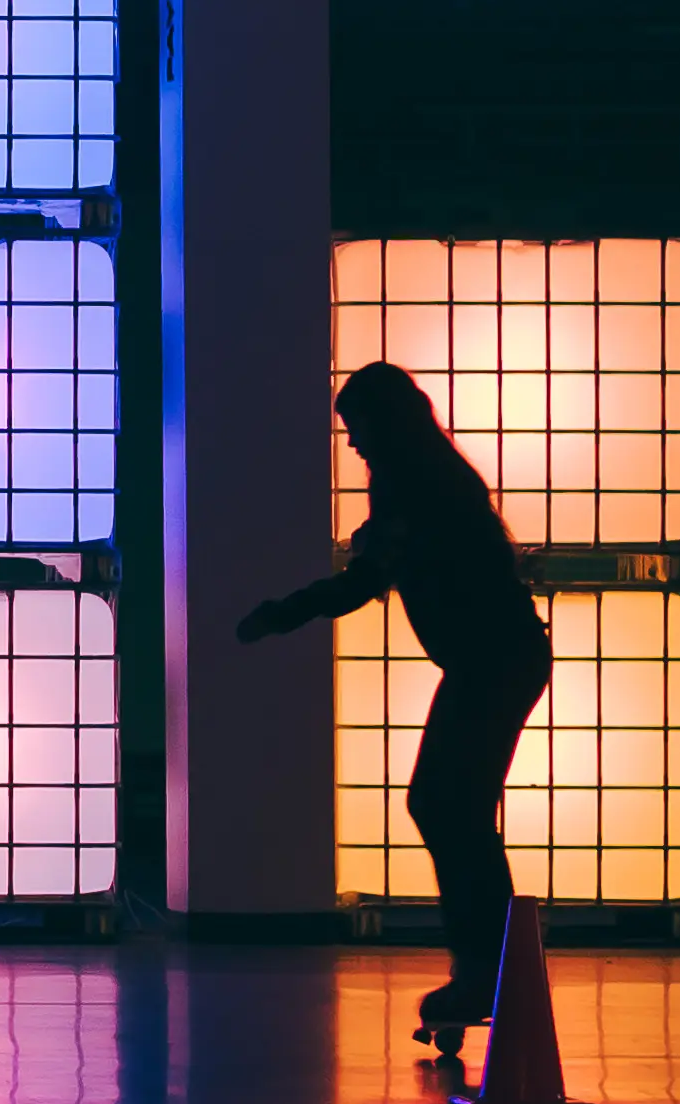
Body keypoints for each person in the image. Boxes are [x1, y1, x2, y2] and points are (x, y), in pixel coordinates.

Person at [235, 363, 552, 1060]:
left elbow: (366, 581)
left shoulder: (410, 483)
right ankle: (491, 968)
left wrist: (278, 616)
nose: (352, 445)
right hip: (501, 657)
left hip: (492, 660)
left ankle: (487, 971)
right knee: (451, 807)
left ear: (384, 423)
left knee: (445, 806)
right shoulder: (438, 476)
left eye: (356, 428)